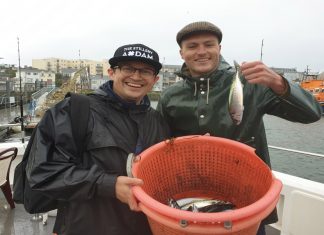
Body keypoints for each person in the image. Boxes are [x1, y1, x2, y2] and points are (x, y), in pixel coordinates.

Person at [156, 21, 322, 235]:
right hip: (193, 197)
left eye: (209, 44)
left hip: (249, 199)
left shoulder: (252, 84)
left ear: (219, 49)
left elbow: (312, 114)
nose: (201, 52)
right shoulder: (171, 96)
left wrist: (280, 84)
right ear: (181, 53)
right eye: (192, 46)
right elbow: (161, 145)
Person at [26, 43, 170, 235]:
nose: (136, 76)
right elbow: (41, 173)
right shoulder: (73, 111)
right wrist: (108, 184)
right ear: (111, 72)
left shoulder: (157, 120)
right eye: (127, 68)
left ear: (154, 79)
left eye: (145, 71)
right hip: (85, 227)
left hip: (144, 226)